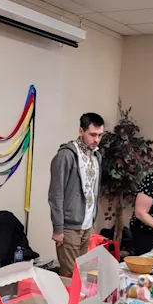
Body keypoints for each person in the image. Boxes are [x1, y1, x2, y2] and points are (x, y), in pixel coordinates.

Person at [48, 113, 104, 276]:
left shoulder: (96, 156)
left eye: (100, 135)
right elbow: (55, 194)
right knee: (70, 275)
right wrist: (58, 228)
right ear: (81, 131)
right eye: (92, 135)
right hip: (69, 226)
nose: (96, 140)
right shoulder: (66, 156)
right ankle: (64, 302)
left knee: (81, 275)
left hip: (86, 224)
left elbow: (93, 189)